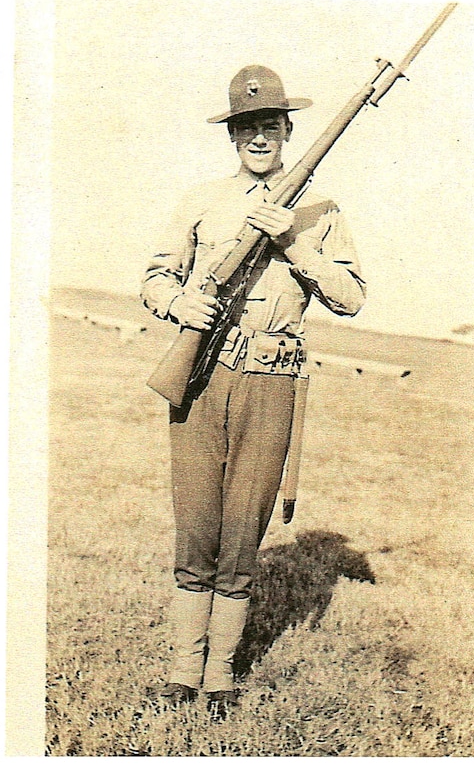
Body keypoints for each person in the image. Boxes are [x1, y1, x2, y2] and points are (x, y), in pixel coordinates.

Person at [141, 65, 366, 720]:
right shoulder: (202, 201)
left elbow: (351, 297)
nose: (259, 137)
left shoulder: (321, 213)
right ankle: (184, 672)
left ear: (288, 130)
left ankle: (220, 677)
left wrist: (293, 242)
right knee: (197, 531)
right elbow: (156, 275)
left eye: (270, 125)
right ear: (233, 135)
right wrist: (180, 303)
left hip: (271, 382)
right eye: (247, 127)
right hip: (202, 377)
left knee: (243, 537)